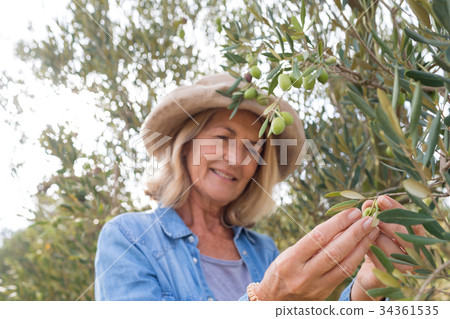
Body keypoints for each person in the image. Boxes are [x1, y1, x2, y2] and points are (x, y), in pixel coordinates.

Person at [94, 73, 422, 301]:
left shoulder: (263, 251)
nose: (237, 158)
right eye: (222, 138)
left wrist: (369, 287)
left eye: (253, 148)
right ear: (186, 146)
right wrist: (264, 301)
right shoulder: (128, 239)